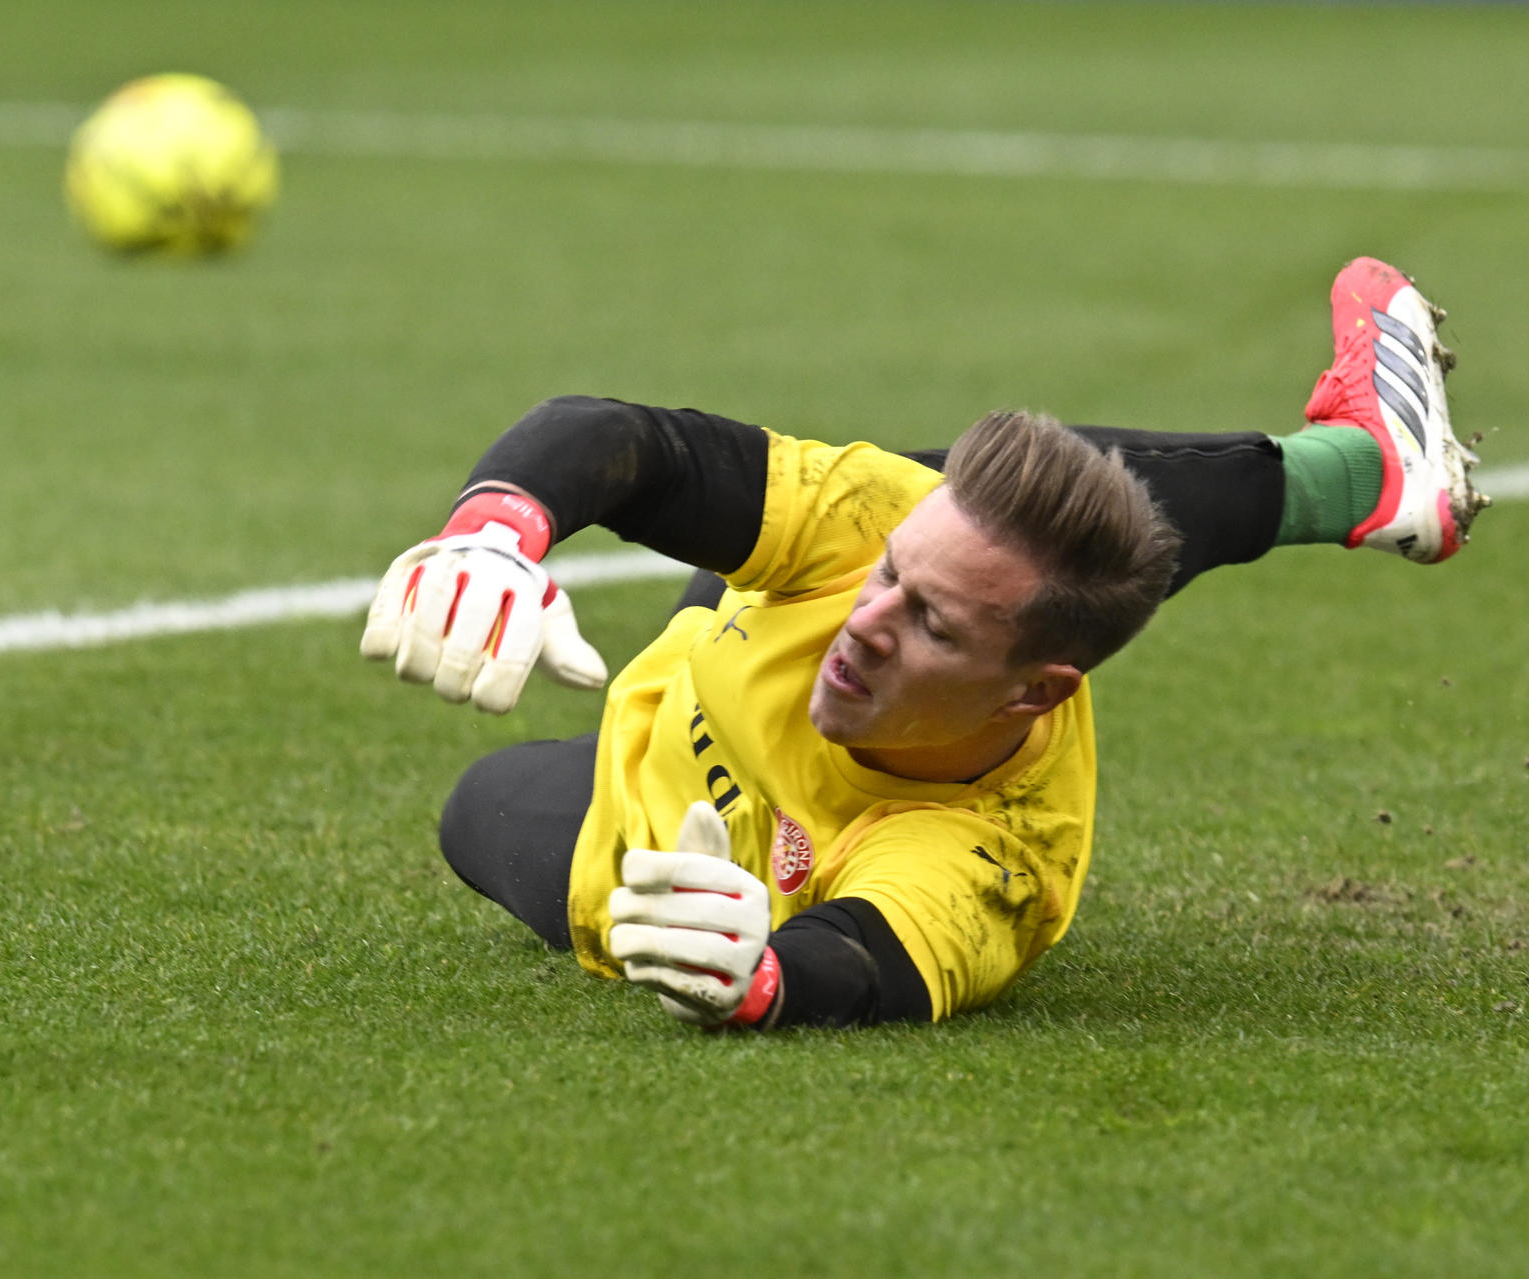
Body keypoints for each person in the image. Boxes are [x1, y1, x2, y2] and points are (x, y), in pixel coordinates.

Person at [360, 257, 1487, 1031]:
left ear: (1032, 696)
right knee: (982, 504)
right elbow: (624, 440)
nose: (867, 619)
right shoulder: (870, 537)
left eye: (928, 625)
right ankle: (1360, 474)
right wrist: (496, 531)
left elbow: (866, 961)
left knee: (477, 808)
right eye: (892, 578)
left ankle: (1359, 478)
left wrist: (756, 977)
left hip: (647, 840)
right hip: (714, 650)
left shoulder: (998, 854)